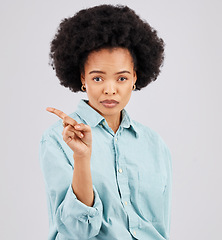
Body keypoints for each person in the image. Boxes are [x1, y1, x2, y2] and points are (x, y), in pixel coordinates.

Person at [39, 4, 172, 240]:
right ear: (82, 77)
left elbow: (161, 229)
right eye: (98, 77)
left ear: (135, 78)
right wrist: (81, 157)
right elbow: (75, 231)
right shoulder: (57, 140)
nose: (110, 90)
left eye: (121, 78)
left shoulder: (155, 145)